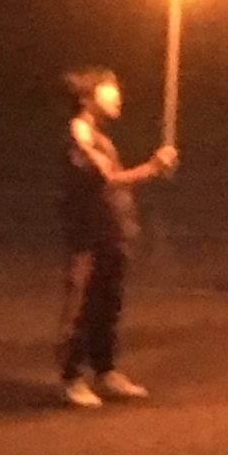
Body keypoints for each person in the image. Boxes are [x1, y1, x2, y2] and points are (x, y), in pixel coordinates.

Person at [57, 67, 177, 408]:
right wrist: (152, 167)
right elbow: (107, 177)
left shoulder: (99, 136)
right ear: (86, 98)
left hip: (111, 233)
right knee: (83, 306)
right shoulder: (79, 132)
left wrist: (154, 169)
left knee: (108, 306)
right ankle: (71, 378)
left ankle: (104, 371)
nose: (117, 97)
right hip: (89, 236)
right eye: (109, 90)